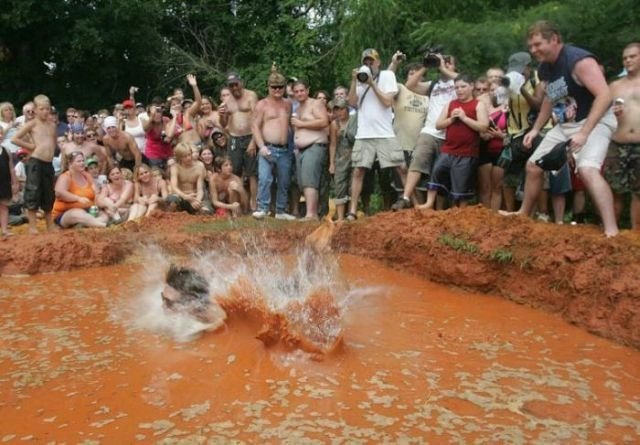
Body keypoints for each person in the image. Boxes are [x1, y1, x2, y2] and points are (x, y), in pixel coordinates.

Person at [501, 21, 618, 237]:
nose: (533, 50)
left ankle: (612, 230)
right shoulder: (545, 67)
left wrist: (584, 133)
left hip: (596, 120)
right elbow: (549, 98)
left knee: (587, 170)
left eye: (538, 44)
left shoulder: (579, 61)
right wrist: (536, 129)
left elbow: (604, 96)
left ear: (554, 39)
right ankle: (524, 213)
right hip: (566, 124)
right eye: (531, 46)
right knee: (533, 166)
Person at [392, 52, 458, 210]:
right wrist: (425, 66)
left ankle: (440, 209)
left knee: (442, 172)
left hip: (451, 133)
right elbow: (410, 85)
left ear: (454, 66)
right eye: (444, 61)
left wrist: (443, 67)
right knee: (417, 162)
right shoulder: (433, 84)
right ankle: (406, 197)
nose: (445, 64)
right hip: (430, 131)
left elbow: (467, 81)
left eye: (449, 62)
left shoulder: (459, 83)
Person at [345, 48, 404, 220]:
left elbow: (387, 102)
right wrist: (353, 82)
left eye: (372, 61)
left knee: (400, 167)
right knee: (358, 171)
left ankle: (411, 203)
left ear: (378, 62)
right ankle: (352, 211)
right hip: (364, 133)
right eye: (366, 61)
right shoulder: (359, 79)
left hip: (385, 132)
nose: (369, 64)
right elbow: (352, 103)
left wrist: (372, 83)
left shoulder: (387, 76)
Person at [421, 74, 489, 209]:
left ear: (471, 86)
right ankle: (429, 203)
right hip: (448, 149)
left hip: (467, 153)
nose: (459, 90)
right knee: (437, 172)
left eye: (463, 86)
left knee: (461, 183)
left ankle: (461, 210)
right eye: (457, 87)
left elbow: (483, 126)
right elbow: (438, 125)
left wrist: (464, 118)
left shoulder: (478, 104)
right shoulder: (451, 104)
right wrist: (451, 119)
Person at [251, 66, 296, 220]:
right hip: (268, 147)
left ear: (284, 87)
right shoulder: (262, 104)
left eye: (280, 87)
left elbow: (292, 124)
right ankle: (263, 207)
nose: (277, 90)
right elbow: (255, 126)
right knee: (264, 179)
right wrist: (261, 146)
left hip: (285, 149)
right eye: (274, 87)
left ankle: (281, 210)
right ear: (268, 87)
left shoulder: (288, 104)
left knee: (284, 180)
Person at [11, 94, 57, 233]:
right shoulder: (32, 124)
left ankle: (50, 224)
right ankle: (32, 226)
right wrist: (30, 146)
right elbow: (15, 138)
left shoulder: (52, 125)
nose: (45, 112)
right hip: (36, 161)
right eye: (42, 109)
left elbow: (53, 142)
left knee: (49, 193)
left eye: (47, 109)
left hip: (48, 162)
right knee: (33, 192)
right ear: (36, 109)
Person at [605, 42, 640, 229]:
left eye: (632, 56)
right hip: (618, 142)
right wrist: (613, 113)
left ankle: (636, 236)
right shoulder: (615, 86)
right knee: (614, 189)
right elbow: (601, 113)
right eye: (625, 58)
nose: (627, 60)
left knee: (639, 192)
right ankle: (611, 231)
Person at [219, 72, 259, 211]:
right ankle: (237, 203)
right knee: (234, 171)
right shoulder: (227, 101)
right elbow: (223, 124)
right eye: (231, 85)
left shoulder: (251, 95)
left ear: (241, 82)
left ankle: (254, 203)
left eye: (236, 84)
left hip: (249, 137)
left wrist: (254, 141)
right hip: (234, 138)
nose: (234, 87)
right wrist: (221, 115)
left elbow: (257, 119)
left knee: (252, 173)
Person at [291, 80, 330, 220]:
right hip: (301, 150)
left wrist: (302, 124)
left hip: (315, 146)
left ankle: (311, 214)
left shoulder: (316, 103)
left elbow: (323, 121)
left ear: (307, 90)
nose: (299, 93)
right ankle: (312, 212)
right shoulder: (298, 108)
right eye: (296, 91)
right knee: (303, 183)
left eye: (302, 90)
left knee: (309, 181)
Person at [51, 151, 108, 229]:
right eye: (79, 161)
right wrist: (78, 198)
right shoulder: (65, 176)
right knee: (77, 214)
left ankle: (87, 224)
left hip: (88, 208)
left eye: (83, 161)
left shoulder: (87, 175)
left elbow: (96, 191)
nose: (82, 163)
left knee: (104, 215)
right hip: (65, 213)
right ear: (71, 163)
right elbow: (59, 193)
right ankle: (103, 225)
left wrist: (99, 197)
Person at [329, 98, 357, 221]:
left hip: (355, 156)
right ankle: (340, 217)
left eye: (341, 109)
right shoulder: (334, 124)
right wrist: (332, 163)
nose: (339, 112)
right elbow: (333, 144)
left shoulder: (354, 121)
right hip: (340, 158)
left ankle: (351, 213)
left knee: (353, 185)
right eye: (336, 110)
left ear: (347, 109)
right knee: (340, 185)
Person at [166, 142, 209, 214]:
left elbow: (200, 189)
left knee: (206, 211)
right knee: (172, 200)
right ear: (179, 157)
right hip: (181, 197)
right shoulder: (175, 167)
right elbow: (174, 187)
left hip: (195, 196)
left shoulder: (199, 167)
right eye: (185, 156)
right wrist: (185, 196)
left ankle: (192, 213)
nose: (188, 158)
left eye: (189, 154)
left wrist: (197, 201)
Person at [0, 127, 19, 237]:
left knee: (4, 206)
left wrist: (15, 182)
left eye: (1, 133)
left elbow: (11, 168)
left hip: (4, 183)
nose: (0, 136)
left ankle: (5, 230)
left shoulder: (6, 150)